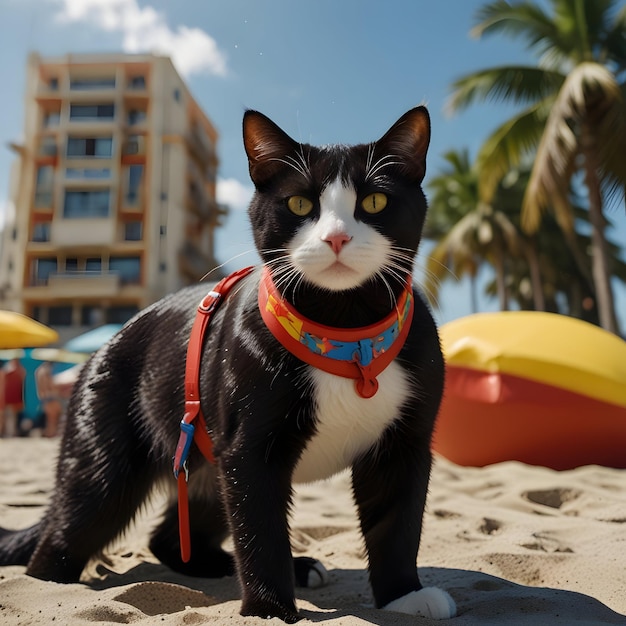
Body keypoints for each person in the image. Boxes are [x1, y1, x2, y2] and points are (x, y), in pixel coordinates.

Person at [35, 361, 63, 437]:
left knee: (50, 419)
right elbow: (50, 384)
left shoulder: (38, 371)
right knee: (53, 418)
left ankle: (50, 433)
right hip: (50, 396)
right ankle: (51, 433)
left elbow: (40, 387)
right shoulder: (46, 372)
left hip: (44, 397)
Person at [1, 359, 25, 437]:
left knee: (11, 417)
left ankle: (9, 433)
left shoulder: (18, 371)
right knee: (7, 417)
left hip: (11, 398)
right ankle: (7, 432)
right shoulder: (8, 371)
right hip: (7, 398)